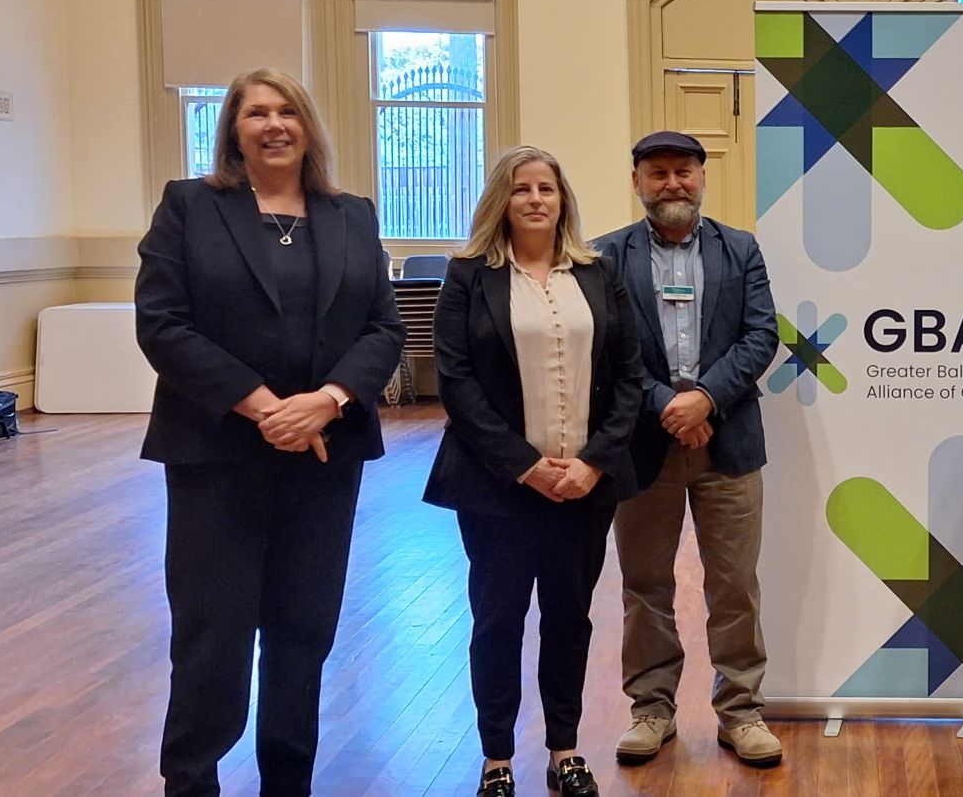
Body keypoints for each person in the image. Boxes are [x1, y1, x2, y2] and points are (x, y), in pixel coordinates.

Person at [135, 67, 405, 797]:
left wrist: (327, 399)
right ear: (233, 130)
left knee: (302, 633)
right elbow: (161, 323)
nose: (274, 124)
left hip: (325, 454)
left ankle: (289, 782)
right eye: (256, 113)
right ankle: (191, 781)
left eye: (288, 111)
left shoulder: (352, 214)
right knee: (211, 636)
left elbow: (384, 326)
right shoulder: (189, 207)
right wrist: (263, 406)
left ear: (309, 126)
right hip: (214, 455)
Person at [423, 146, 645, 797]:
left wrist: (593, 462)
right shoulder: (468, 276)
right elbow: (457, 382)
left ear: (563, 200)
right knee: (497, 620)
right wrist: (525, 466)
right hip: (496, 489)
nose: (537, 199)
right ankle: (497, 760)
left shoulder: (599, 273)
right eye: (522, 189)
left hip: (586, 487)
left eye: (548, 187)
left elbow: (629, 377)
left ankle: (565, 751)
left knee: (570, 618)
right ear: (502, 200)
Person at [590, 131, 784, 769]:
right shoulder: (604, 256)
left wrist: (704, 399)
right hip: (643, 447)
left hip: (727, 441)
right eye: (658, 173)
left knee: (734, 584)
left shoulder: (742, 249)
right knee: (645, 585)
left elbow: (761, 336)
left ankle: (741, 711)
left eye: (684, 172)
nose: (672, 183)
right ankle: (651, 708)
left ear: (703, 177)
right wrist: (666, 407)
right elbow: (607, 351)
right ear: (637, 182)